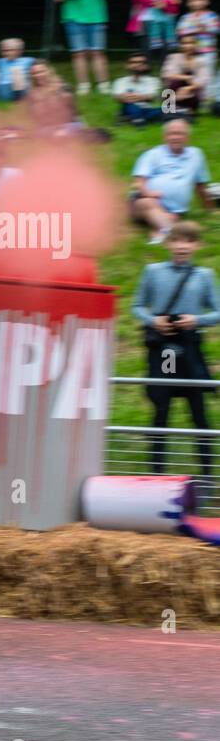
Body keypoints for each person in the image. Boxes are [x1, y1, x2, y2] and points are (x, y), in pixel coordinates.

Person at [131, 221, 219, 481]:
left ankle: (207, 479)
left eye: (189, 241)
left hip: (191, 348)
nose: (182, 246)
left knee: (199, 414)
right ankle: (156, 477)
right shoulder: (153, 271)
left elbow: (217, 312)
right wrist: (153, 320)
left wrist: (197, 320)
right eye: (177, 240)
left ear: (197, 245)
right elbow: (137, 306)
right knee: (161, 410)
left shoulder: (205, 275)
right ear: (168, 243)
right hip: (165, 350)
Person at [130, 120, 213, 244]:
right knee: (148, 204)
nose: (175, 137)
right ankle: (172, 230)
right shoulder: (153, 154)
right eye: (171, 134)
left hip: (175, 211)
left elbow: (200, 185)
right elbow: (139, 182)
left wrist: (209, 209)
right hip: (143, 202)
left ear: (188, 137)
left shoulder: (196, 155)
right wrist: (148, 193)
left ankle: (162, 230)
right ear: (164, 137)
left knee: (170, 216)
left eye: (180, 134)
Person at [52, 0, 114, 96]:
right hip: (73, 18)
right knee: (78, 53)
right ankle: (83, 85)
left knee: (98, 52)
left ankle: (103, 84)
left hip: (97, 17)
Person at [177, 0, 220, 103]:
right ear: (189, 3)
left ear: (207, 2)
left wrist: (204, 28)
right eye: (194, 0)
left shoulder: (212, 16)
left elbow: (216, 29)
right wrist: (196, 29)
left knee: (208, 75)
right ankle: (194, 98)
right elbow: (181, 31)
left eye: (201, 0)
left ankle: (208, 100)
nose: (198, 2)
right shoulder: (185, 18)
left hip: (208, 51)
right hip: (190, 53)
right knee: (193, 75)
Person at [113, 52, 163, 125]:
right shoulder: (120, 81)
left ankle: (132, 119)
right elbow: (117, 97)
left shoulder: (153, 80)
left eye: (141, 62)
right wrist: (126, 98)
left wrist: (139, 97)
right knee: (131, 105)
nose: (138, 64)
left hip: (146, 109)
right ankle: (138, 119)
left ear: (146, 66)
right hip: (128, 107)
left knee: (165, 110)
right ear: (127, 65)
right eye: (134, 62)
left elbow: (153, 96)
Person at [162, 36, 205, 117]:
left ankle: (185, 110)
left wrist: (188, 88)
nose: (188, 46)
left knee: (194, 88)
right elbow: (167, 75)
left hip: (191, 94)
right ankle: (175, 109)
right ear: (180, 45)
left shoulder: (202, 61)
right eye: (184, 43)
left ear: (196, 45)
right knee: (174, 82)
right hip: (174, 94)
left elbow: (202, 80)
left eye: (191, 43)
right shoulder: (173, 57)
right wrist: (187, 78)